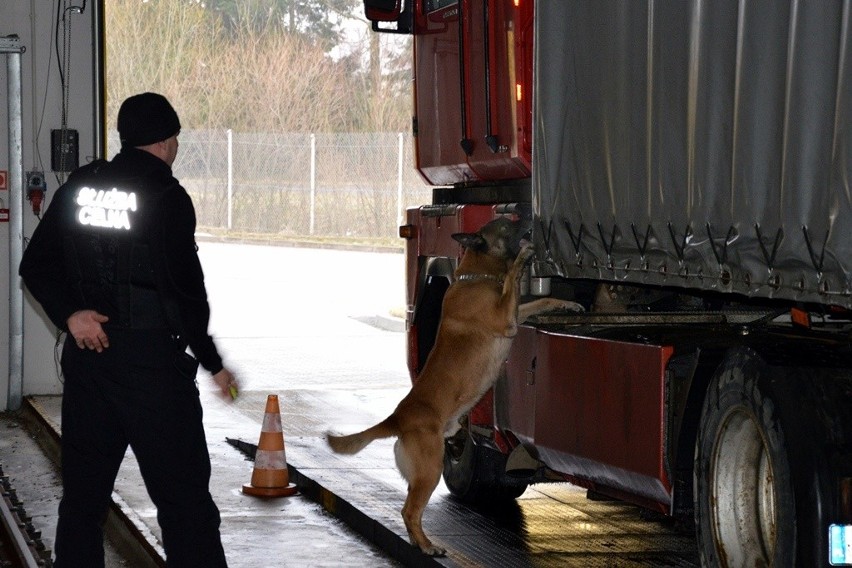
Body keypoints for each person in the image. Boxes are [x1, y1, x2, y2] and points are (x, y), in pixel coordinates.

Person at [19, 92, 237, 568]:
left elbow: (34, 266)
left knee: (81, 504)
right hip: (152, 371)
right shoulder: (166, 197)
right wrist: (213, 363)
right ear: (167, 141)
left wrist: (72, 315)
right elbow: (185, 295)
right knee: (185, 507)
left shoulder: (82, 185)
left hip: (90, 363)